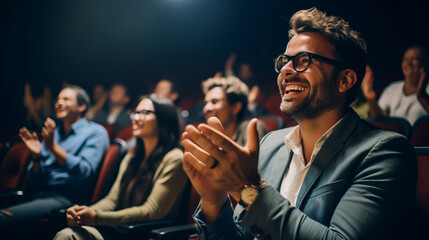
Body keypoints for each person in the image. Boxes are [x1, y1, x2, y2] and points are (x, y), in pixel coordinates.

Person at [181, 7, 417, 240]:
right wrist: (214, 203)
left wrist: (248, 187)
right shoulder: (271, 144)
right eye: (284, 61)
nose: (285, 70)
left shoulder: (385, 152)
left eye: (303, 61)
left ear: (344, 80)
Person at [54, 94, 188, 240]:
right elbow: (113, 200)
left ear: (164, 119)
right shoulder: (132, 156)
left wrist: (97, 218)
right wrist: (84, 212)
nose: (136, 118)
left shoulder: (174, 158)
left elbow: (152, 211)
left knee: (69, 236)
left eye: (145, 113)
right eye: (136, 113)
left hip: (144, 233)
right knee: (68, 233)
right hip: (120, 229)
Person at [0, 84, 109, 239]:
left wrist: (52, 147)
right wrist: (36, 157)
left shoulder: (95, 132)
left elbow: (85, 172)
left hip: (65, 198)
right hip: (38, 195)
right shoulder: (55, 133)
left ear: (82, 106)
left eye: (66, 99)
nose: (58, 103)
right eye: (58, 99)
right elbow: (34, 180)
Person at [362, 45, 429, 125]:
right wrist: (370, 97)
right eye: (405, 59)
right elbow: (381, 119)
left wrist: (422, 96)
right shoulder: (392, 87)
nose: (408, 63)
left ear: (425, 63)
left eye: (414, 59)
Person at [201, 76, 268, 146]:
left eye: (214, 102)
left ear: (236, 107)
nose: (206, 109)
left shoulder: (254, 129)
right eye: (206, 103)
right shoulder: (206, 137)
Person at [224, 53, 267, 117]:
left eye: (246, 71)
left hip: (251, 113)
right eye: (242, 70)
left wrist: (250, 102)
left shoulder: (255, 86)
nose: (243, 73)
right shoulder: (237, 83)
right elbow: (229, 71)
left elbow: (254, 110)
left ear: (251, 73)